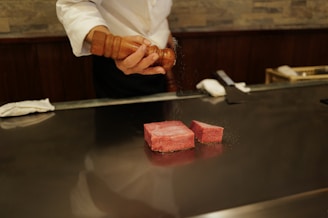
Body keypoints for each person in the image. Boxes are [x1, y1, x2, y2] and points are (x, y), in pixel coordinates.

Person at [56, 0, 177, 98]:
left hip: (159, 62)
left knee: (159, 124)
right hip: (116, 62)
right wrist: (113, 46)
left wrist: (164, 33)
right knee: (117, 125)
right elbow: (75, 5)